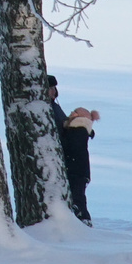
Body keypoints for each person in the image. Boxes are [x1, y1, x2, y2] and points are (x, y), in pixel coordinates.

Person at [40, 73, 96, 225]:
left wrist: (81, 129)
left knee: (76, 195)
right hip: (72, 161)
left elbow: (65, 130)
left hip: (73, 162)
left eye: (53, 88)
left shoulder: (54, 107)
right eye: (50, 88)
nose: (52, 91)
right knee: (76, 195)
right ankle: (81, 221)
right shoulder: (49, 108)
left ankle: (82, 222)